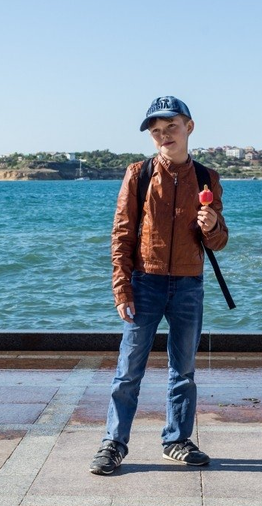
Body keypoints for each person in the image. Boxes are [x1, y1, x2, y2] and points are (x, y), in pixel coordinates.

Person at [91, 96, 229, 476]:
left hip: (188, 284)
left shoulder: (207, 178)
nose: (164, 136)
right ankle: (113, 443)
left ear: (189, 127)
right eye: (156, 132)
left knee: (183, 370)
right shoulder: (138, 174)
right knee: (128, 369)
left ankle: (176, 440)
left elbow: (219, 241)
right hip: (145, 281)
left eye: (171, 128)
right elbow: (121, 234)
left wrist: (212, 224)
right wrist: (122, 288)